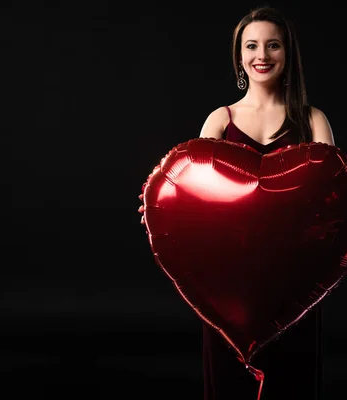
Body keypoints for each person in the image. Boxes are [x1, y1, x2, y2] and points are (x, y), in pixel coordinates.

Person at [140, 6, 335, 400]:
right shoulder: (219, 120)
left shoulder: (312, 120)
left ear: (288, 54)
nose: (262, 55)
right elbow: (191, 195)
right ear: (240, 56)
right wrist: (157, 207)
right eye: (252, 46)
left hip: (291, 282)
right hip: (229, 286)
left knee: (291, 383)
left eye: (273, 45)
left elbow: (331, 199)